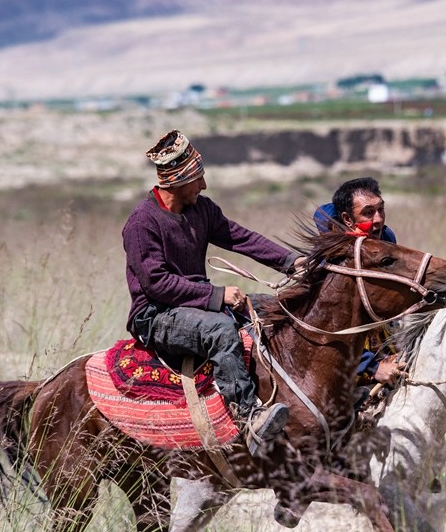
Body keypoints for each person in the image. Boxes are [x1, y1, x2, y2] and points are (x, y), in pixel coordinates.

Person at [122, 130, 301, 456]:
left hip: (193, 305)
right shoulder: (141, 223)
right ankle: (249, 419)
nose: (203, 186)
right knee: (220, 329)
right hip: (155, 315)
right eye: (197, 179)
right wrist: (217, 297)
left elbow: (242, 238)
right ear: (176, 181)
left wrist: (292, 262)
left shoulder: (201, 210)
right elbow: (156, 284)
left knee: (271, 308)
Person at [313, 177, 407, 390]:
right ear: (347, 219)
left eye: (381, 210)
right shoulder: (331, 254)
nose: (378, 220)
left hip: (379, 332)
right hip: (339, 346)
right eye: (368, 212)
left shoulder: (386, 237)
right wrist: (371, 367)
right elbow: (326, 329)